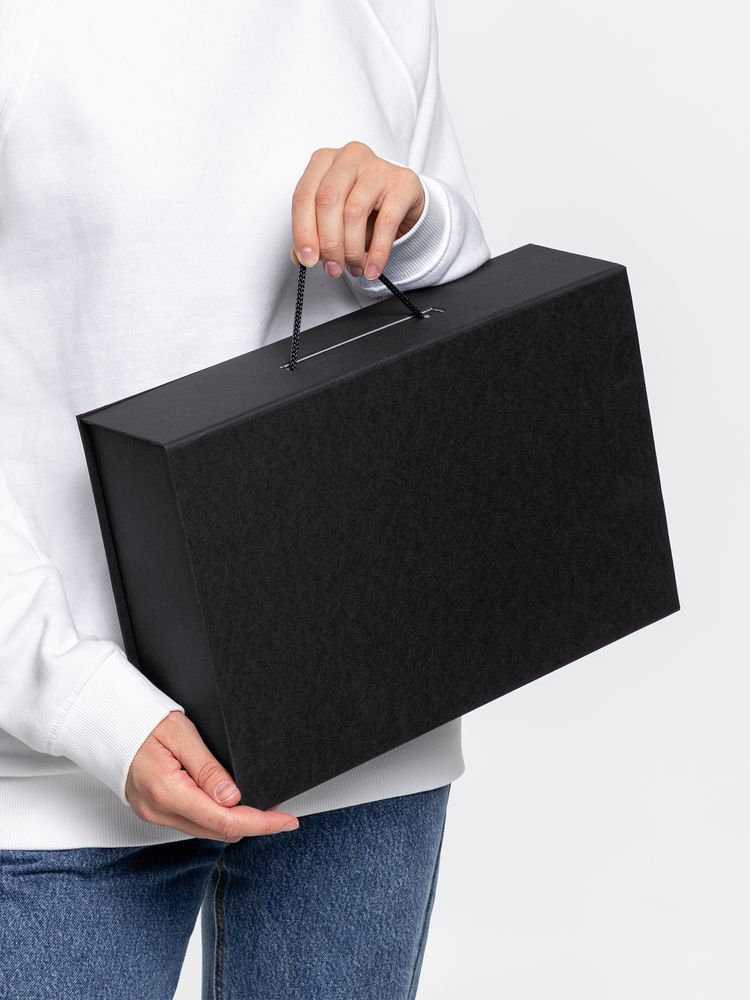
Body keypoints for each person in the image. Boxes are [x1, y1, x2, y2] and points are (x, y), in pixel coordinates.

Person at [0, 1, 491, 996]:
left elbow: (460, 325)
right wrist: (85, 703)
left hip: (363, 740)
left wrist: (420, 226)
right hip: (66, 773)